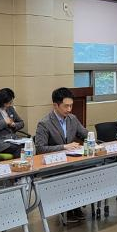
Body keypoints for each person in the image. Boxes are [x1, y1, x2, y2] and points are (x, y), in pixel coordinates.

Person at [34, 87, 88, 223]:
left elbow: (85, 134)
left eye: (71, 106)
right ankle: (68, 208)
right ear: (55, 105)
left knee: (86, 170)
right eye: (66, 106)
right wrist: (64, 147)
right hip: (53, 165)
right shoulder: (44, 123)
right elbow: (40, 149)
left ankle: (77, 204)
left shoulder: (72, 119)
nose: (69, 109)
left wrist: (92, 140)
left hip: (70, 161)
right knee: (71, 175)